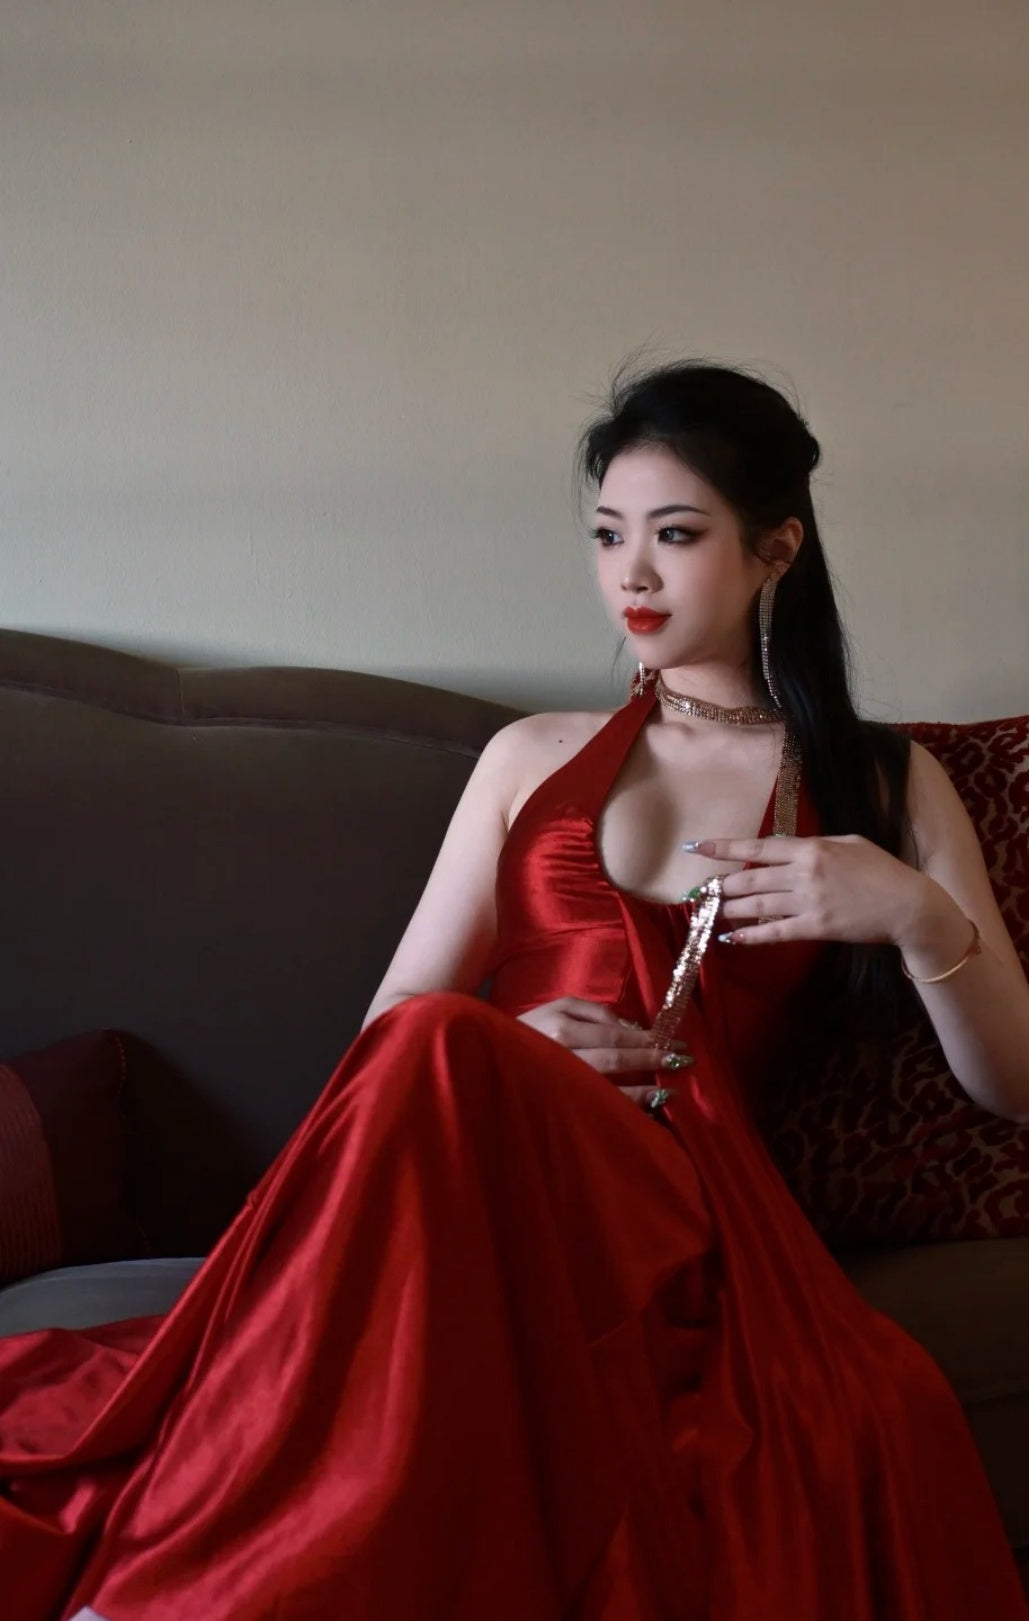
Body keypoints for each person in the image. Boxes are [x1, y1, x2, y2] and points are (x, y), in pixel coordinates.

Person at [2, 362, 1028, 1620]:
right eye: (607, 536)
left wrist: (917, 916)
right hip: (479, 1153)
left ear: (777, 549)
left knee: (447, 1058)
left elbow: (1014, 1085)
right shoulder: (526, 755)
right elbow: (388, 1034)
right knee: (438, 1041)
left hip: (678, 1186)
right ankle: (198, 1576)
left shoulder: (882, 781)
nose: (631, 574)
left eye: (675, 535)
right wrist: (509, 1046)